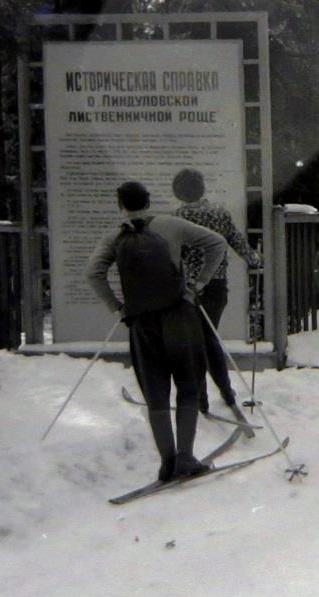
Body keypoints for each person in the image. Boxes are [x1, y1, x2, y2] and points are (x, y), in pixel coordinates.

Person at [85, 181, 225, 482]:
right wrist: (197, 285)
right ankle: (186, 457)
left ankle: (167, 462)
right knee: (188, 385)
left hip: (142, 323)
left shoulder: (115, 236)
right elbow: (216, 243)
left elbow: (93, 273)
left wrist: (118, 307)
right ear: (148, 202)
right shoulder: (170, 225)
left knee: (156, 394)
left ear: (120, 204)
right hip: (179, 315)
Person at [171, 168, 263, 413]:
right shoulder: (220, 213)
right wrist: (253, 258)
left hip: (191, 289)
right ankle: (226, 391)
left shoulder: (179, 216)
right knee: (210, 338)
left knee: (195, 342)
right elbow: (238, 243)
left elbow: (174, 254)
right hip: (217, 287)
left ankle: (200, 397)